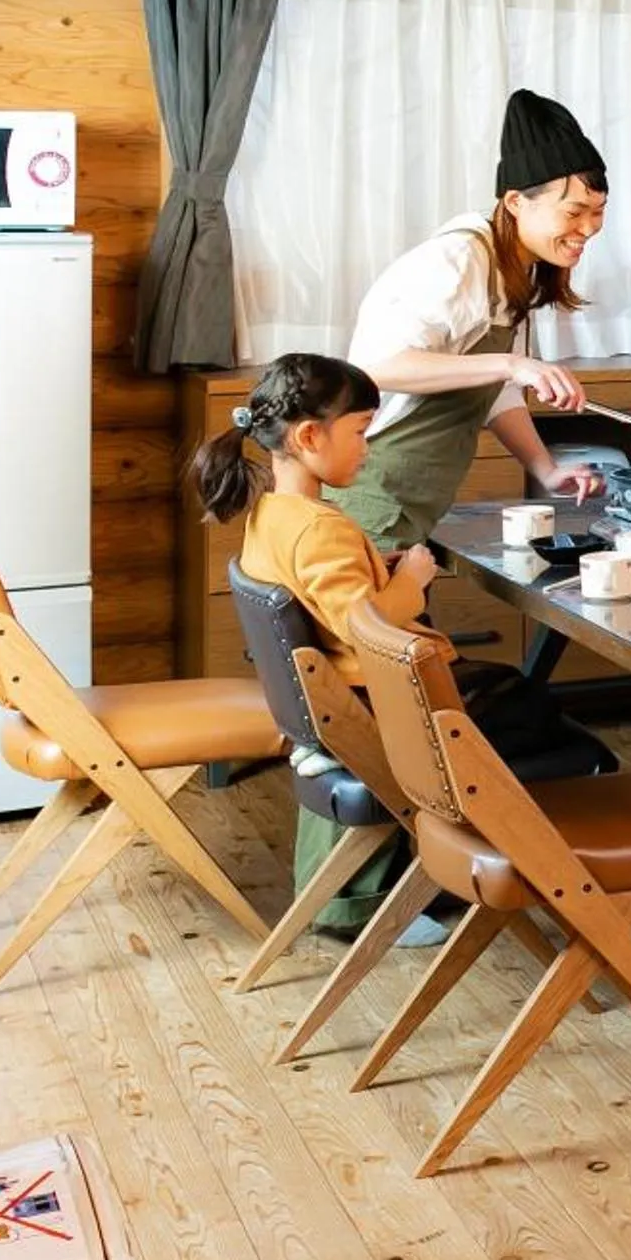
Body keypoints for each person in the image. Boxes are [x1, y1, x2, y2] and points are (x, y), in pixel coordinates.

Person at [191, 353, 445, 944]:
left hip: (324, 694)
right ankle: (383, 901)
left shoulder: (274, 516)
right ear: (309, 435)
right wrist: (410, 581)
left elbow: (322, 595)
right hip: (368, 697)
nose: (369, 448)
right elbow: (363, 628)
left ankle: (361, 890)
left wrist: (375, 572)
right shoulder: (319, 527)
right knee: (524, 711)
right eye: (360, 431)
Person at [335, 88, 613, 552]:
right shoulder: (460, 257)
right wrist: (511, 364)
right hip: (369, 500)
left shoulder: (517, 270)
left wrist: (545, 469)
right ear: (515, 202)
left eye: (598, 212)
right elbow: (377, 366)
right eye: (575, 212)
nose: (588, 229)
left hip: (413, 507)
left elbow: (494, 391)